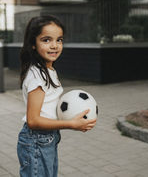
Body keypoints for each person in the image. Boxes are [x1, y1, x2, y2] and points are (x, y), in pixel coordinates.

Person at [17, 15, 97, 177]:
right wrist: (71, 123)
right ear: (33, 44)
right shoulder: (37, 76)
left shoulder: (48, 70)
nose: (54, 46)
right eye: (46, 40)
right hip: (36, 141)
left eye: (59, 40)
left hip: (47, 138)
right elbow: (33, 120)